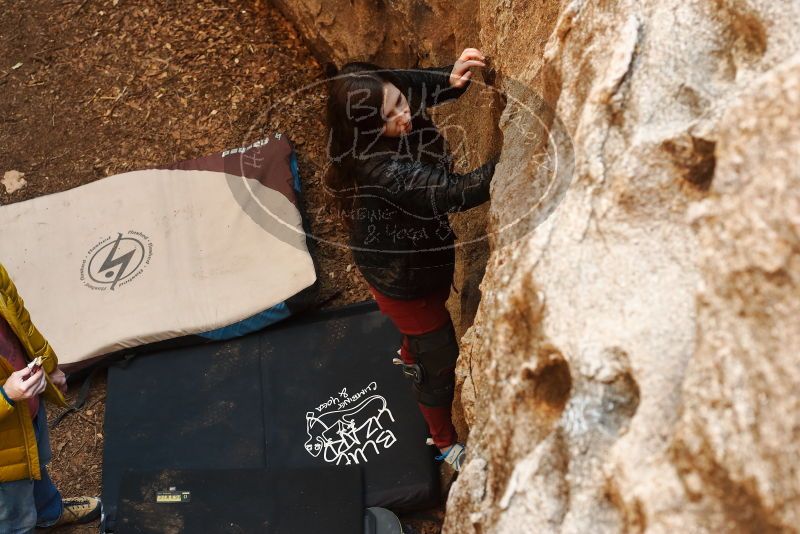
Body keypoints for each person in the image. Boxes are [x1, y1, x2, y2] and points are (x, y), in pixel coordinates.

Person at [324, 48, 498, 471]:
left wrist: (449, 79)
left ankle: (408, 350)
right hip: (404, 284)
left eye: (398, 103)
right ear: (367, 130)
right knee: (438, 364)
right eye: (386, 118)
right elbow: (457, 191)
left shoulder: (389, 125)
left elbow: (410, 91)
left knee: (428, 327)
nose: (401, 117)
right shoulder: (380, 168)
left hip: (411, 261)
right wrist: (521, 158)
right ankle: (443, 442)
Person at [0, 262, 101, 532]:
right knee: (14, 514)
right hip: (2, 447)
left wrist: (50, 365)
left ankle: (48, 512)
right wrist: (6, 395)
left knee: (36, 465)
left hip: (27, 407)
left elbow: (20, 320)